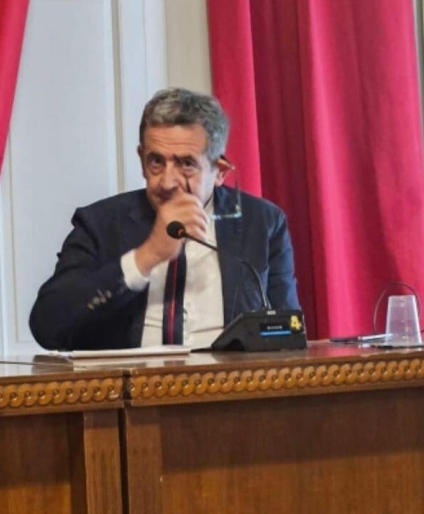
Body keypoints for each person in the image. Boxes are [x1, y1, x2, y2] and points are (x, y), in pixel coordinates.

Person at [29, 87, 300, 350]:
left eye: (186, 164)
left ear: (219, 171)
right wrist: (146, 256)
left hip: (227, 380)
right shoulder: (100, 224)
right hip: (130, 380)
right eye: (156, 162)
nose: (168, 182)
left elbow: (287, 335)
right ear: (141, 159)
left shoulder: (262, 223)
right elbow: (47, 326)